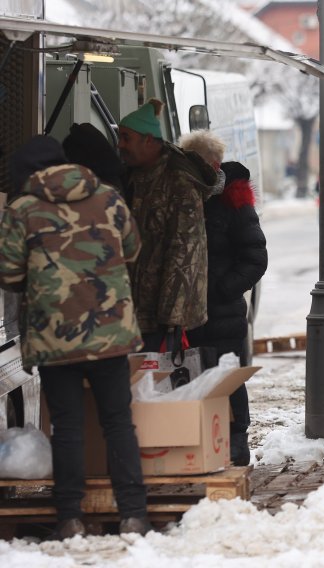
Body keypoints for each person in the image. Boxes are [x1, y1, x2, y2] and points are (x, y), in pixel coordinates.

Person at [0, 136, 150, 539]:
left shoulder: (21, 209)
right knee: (118, 422)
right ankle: (134, 514)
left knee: (66, 427)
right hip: (111, 333)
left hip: (55, 338)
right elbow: (133, 250)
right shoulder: (109, 197)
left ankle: (69, 518)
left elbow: (9, 275)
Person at [179, 131, 269, 466]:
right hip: (187, 313)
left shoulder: (233, 201)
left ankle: (236, 441)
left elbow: (256, 258)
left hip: (222, 312)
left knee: (227, 379)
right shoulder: (184, 197)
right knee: (192, 380)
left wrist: (222, 289)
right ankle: (202, 443)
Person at [117, 99, 217, 350]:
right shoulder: (134, 176)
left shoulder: (178, 183)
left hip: (160, 321)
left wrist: (171, 322)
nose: (120, 145)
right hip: (136, 314)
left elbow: (183, 253)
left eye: (126, 138)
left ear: (148, 140)